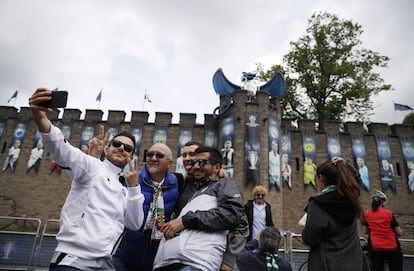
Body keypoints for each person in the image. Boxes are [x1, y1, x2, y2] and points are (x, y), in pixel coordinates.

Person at [28, 88, 145, 271]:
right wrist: (40, 117)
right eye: (116, 144)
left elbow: (134, 223)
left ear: (132, 156)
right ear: (107, 149)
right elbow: (62, 149)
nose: (122, 148)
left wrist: (134, 188)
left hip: (105, 263)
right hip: (75, 261)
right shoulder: (92, 166)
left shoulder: (125, 189)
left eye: (128, 148)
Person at [153, 146, 245, 271]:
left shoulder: (225, 184)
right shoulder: (189, 188)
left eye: (201, 162)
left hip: (195, 263)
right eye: (194, 162)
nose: (196, 166)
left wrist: (229, 260)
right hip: (167, 261)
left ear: (217, 168)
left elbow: (232, 215)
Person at [112, 143, 181, 271]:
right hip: (122, 255)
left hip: (154, 260)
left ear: (170, 163)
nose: (153, 158)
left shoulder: (177, 182)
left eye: (160, 155)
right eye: (150, 154)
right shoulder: (130, 179)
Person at [302, 157, 369, 271]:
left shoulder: (318, 205)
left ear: (321, 178)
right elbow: (357, 183)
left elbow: (310, 238)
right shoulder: (351, 199)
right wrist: (346, 166)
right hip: (354, 264)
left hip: (327, 264)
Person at [364, 190, 403, 271]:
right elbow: (399, 232)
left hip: (375, 247)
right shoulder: (388, 213)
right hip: (391, 247)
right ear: (383, 202)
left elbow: (366, 231)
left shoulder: (367, 214)